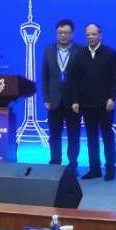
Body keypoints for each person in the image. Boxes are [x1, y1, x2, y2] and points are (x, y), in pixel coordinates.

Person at [71, 23, 116, 181]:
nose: (90, 37)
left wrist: (112, 98)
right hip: (86, 103)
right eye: (88, 35)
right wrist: (75, 100)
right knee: (91, 138)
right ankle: (94, 169)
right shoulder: (79, 55)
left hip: (106, 103)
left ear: (100, 35)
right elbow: (75, 80)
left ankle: (110, 168)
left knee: (107, 136)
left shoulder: (110, 53)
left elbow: (115, 79)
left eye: (93, 34)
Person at [41, 19, 85, 174]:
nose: (63, 35)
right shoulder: (48, 50)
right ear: (56, 33)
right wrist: (46, 98)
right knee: (54, 135)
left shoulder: (80, 50)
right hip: (54, 101)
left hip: (73, 101)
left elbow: (83, 78)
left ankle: (73, 164)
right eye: (60, 33)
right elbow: (45, 76)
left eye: (66, 33)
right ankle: (55, 163)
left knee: (74, 134)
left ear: (72, 34)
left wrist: (79, 99)